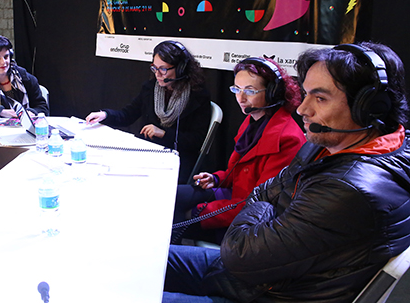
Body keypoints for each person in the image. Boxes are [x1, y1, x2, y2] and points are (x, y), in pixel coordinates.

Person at [163, 42, 410, 303]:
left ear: (369, 108)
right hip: (258, 276)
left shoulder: (348, 189)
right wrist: (252, 196)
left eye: (320, 98)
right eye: (306, 94)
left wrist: (260, 202)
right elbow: (266, 192)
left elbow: (240, 251)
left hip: (268, 291)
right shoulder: (325, 145)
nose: (302, 109)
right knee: (139, 256)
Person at [172, 57, 305, 244]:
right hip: (235, 197)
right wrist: (216, 178)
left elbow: (257, 204)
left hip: (249, 221)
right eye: (237, 89)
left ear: (273, 93)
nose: (241, 98)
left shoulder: (288, 139)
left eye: (250, 91)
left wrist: (198, 212)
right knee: (169, 196)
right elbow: (239, 171)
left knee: (171, 218)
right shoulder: (253, 119)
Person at [86, 41, 211, 184]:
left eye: (163, 69)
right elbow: (128, 115)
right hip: (149, 150)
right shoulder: (150, 88)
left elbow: (196, 141)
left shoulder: (198, 96)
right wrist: (105, 115)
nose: (157, 74)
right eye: (154, 68)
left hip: (178, 159)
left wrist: (163, 133)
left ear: (181, 69)